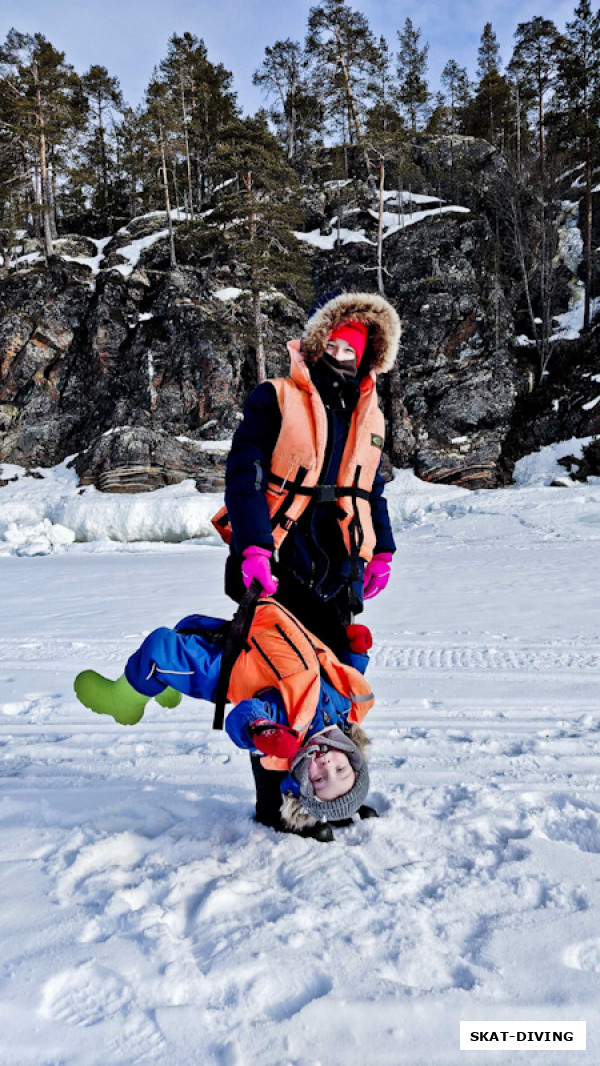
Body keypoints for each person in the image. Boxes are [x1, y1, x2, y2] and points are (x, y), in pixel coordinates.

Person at [73, 598, 377, 842]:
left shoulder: (290, 734)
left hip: (229, 670)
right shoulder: (342, 714)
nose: (326, 766)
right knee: (191, 629)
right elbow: (340, 677)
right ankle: (166, 688)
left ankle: (123, 700)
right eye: (340, 769)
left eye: (320, 779)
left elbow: (245, 714)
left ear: (304, 784)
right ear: (352, 757)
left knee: (160, 650)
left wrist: (262, 732)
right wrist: (355, 653)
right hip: (263, 638)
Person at [212, 290, 401, 660]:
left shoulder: (370, 419)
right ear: (315, 345)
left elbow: (370, 490)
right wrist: (253, 547)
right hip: (281, 556)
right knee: (275, 668)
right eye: (331, 347)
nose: (339, 358)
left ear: (365, 359)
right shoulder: (275, 397)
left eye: (350, 351)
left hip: (341, 567)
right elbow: (243, 477)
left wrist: (382, 553)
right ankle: (170, 661)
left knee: (338, 669)